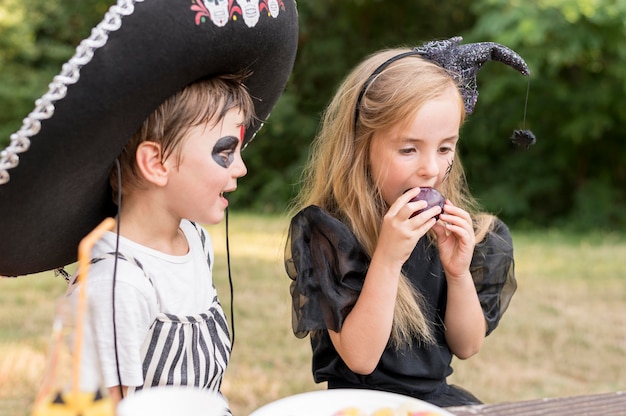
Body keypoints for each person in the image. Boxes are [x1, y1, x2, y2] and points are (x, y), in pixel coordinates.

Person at [0, 0, 298, 412]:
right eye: (225, 153)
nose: (242, 168)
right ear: (155, 163)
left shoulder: (195, 241)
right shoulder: (117, 287)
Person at [284, 37, 532, 407]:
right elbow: (360, 358)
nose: (430, 169)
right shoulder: (329, 234)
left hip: (436, 404)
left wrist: (458, 272)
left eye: (445, 147)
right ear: (360, 145)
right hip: (359, 406)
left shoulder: (476, 235)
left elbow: (468, 346)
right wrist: (387, 258)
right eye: (408, 149)